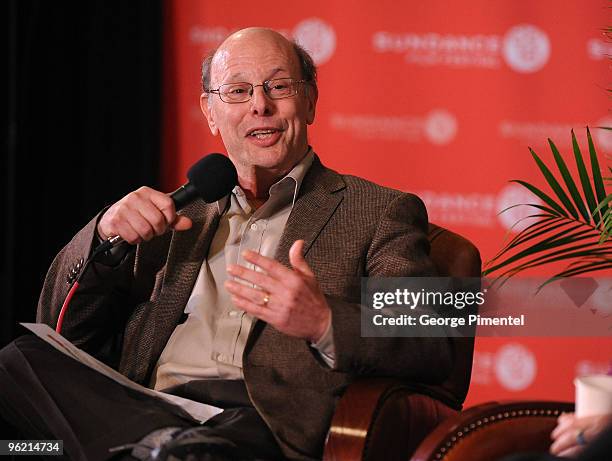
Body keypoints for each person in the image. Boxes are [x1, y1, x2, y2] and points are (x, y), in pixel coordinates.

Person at [0, 28, 465, 460]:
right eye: (238, 91)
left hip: (259, 419)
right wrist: (104, 234)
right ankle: (157, 445)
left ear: (310, 102)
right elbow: (63, 330)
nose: (259, 106)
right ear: (209, 112)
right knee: (17, 362)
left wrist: (323, 320)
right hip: (145, 403)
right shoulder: (172, 213)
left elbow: (427, 337)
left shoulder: (375, 210)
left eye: (278, 87)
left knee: (195, 447)